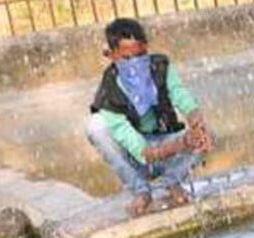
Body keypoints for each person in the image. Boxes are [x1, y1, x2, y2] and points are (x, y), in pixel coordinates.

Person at [86, 18, 215, 217]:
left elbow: (180, 94)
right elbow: (143, 152)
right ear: (112, 55)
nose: (135, 64)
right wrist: (182, 142)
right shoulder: (108, 92)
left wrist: (196, 122)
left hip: (166, 143)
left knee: (208, 134)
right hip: (136, 157)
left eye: (140, 56)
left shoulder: (160, 66)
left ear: (146, 48)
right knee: (95, 126)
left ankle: (171, 183)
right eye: (127, 59)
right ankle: (141, 191)